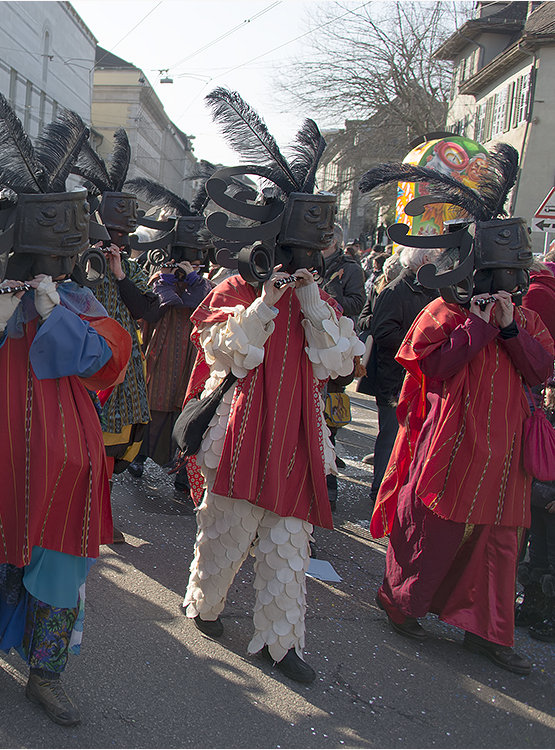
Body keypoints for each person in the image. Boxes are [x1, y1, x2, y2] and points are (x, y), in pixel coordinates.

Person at [0, 72, 130, 727]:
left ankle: (47, 674)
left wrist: (54, 311)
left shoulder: (81, 303)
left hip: (66, 461)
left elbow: (106, 362)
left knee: (59, 572)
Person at [180, 88, 363, 683]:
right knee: (224, 533)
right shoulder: (234, 291)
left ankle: (281, 646)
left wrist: (308, 299)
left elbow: (340, 363)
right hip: (239, 430)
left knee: (289, 549)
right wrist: (267, 299)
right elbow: (226, 354)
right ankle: (204, 605)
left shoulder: (321, 300)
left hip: (297, 438)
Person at [361, 143, 555, 676]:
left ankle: (488, 632)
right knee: (433, 528)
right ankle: (402, 603)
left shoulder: (525, 317)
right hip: (451, 442)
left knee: (498, 543)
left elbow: (539, 370)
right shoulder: (444, 310)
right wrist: (479, 325)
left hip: (507, 452)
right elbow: (431, 366)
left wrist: (510, 327)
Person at [74, 128, 160, 540]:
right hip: (86, 365)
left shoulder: (132, 268)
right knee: (80, 449)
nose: (116, 243)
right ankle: (86, 519)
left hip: (122, 371)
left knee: (111, 452)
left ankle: (99, 519)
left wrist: (121, 273)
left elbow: (147, 310)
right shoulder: (79, 261)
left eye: (124, 237)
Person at [125, 174, 215, 487]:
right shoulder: (158, 279)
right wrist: (168, 280)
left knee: (188, 408)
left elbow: (207, 306)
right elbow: (158, 309)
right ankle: (138, 456)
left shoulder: (205, 285)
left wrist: (193, 280)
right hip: (160, 352)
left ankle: (181, 468)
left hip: (191, 356)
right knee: (154, 405)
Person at [355, 246, 439, 505]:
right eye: (434, 258)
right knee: (390, 437)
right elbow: (382, 332)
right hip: (395, 378)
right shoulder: (395, 290)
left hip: (419, 376)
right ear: (423, 260)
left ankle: (400, 493)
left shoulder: (431, 290)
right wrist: (421, 342)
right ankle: (380, 492)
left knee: (411, 439)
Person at [318, 222, 366, 509]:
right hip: (311, 346)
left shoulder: (350, 269)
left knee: (328, 422)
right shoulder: (306, 259)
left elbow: (357, 303)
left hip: (335, 350)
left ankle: (329, 488)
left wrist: (324, 299)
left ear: (334, 241)